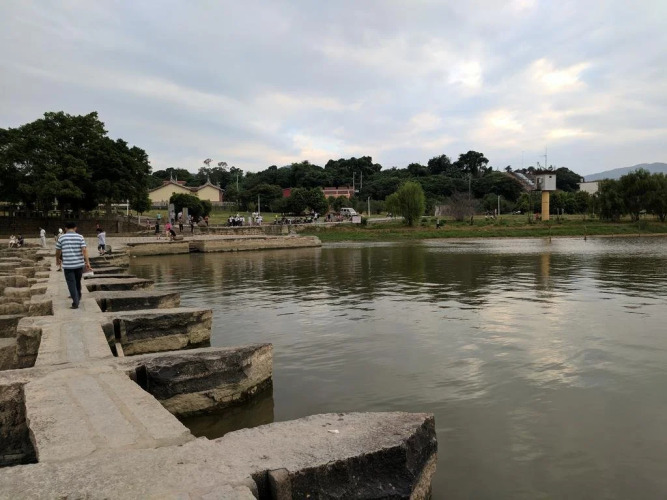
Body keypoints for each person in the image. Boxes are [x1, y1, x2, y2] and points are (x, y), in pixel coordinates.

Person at [55, 222, 92, 309]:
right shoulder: (80, 237)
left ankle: (75, 302)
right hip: (79, 265)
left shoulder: (61, 237)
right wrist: (87, 262)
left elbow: (58, 250)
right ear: (75, 228)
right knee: (77, 281)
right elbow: (84, 250)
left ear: (65, 228)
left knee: (71, 283)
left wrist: (57, 260)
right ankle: (78, 295)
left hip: (68, 265)